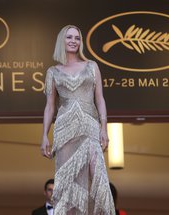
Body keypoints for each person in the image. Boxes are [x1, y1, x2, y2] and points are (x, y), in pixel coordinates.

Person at [41, 24, 115, 214]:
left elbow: (100, 99)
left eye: (77, 38)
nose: (73, 41)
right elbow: (50, 106)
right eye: (69, 37)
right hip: (65, 129)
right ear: (61, 41)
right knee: (68, 181)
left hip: (90, 126)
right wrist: (44, 135)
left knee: (96, 174)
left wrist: (104, 128)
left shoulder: (92, 66)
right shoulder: (53, 72)